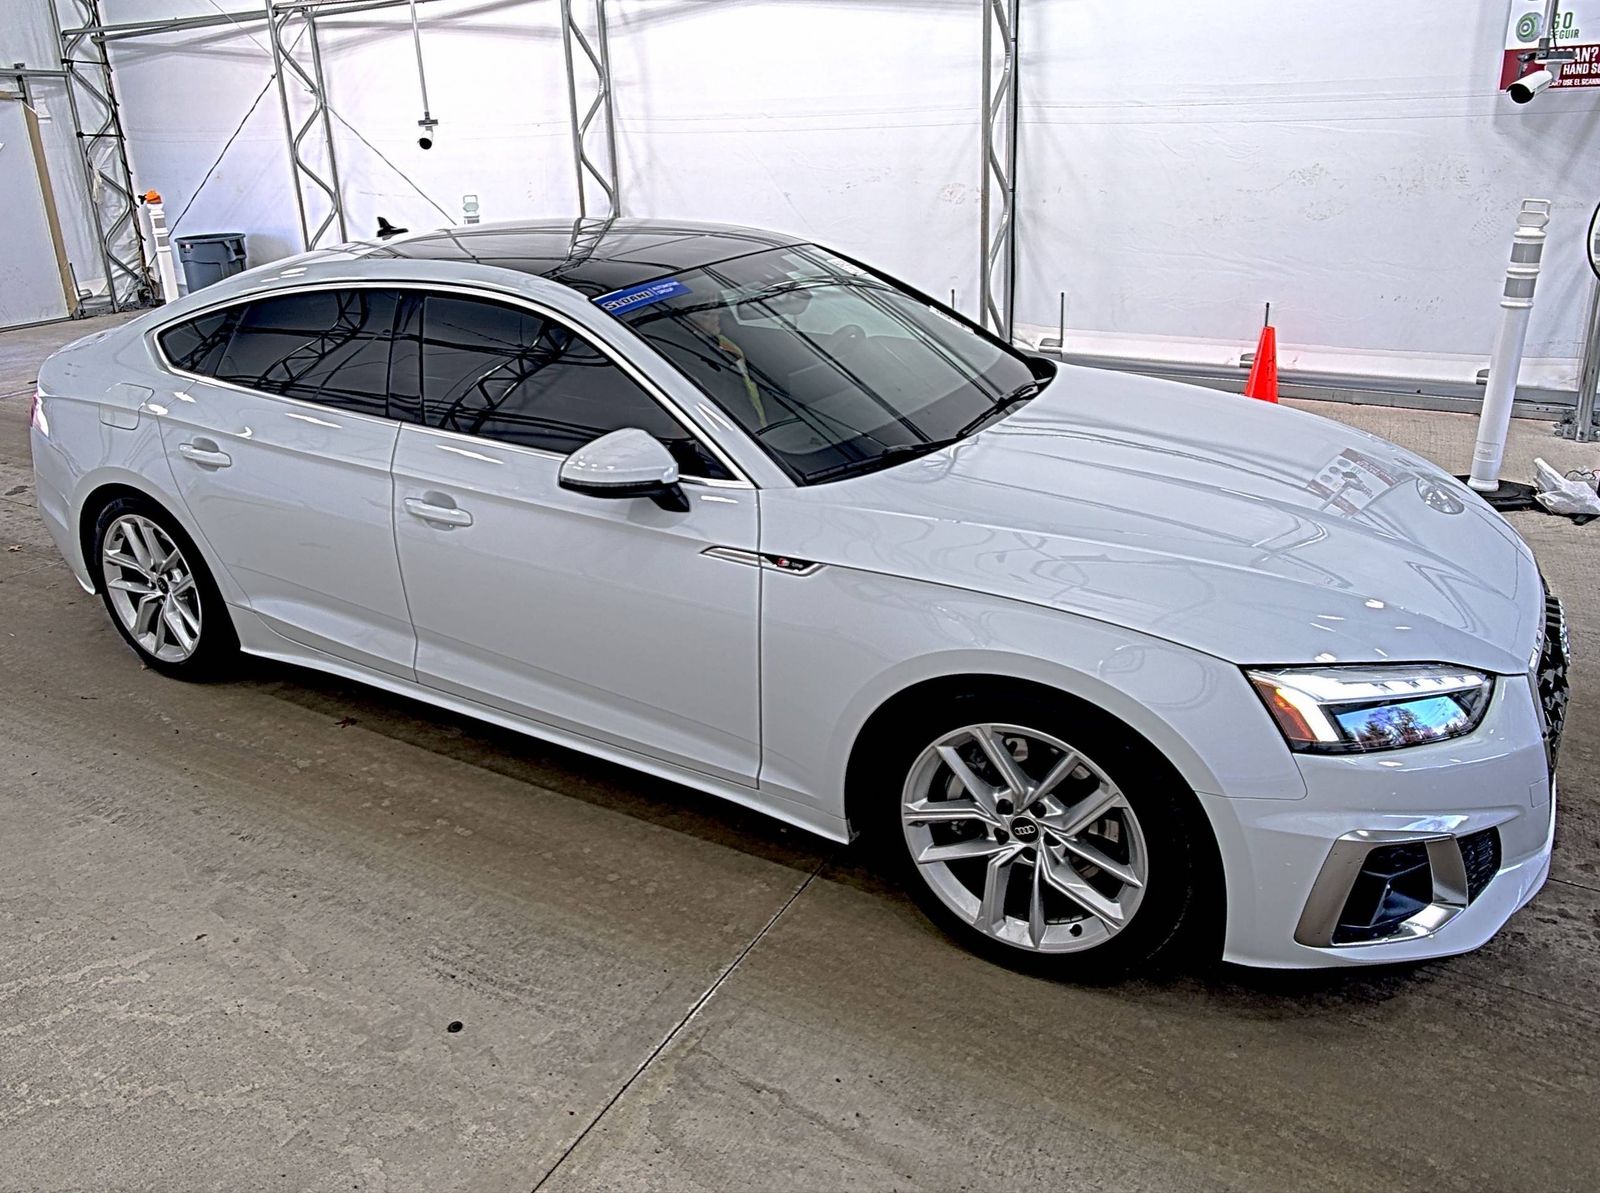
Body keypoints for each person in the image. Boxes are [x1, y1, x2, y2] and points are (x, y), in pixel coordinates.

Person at [683, 304, 766, 430]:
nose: (717, 313)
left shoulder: (729, 346)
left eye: (716, 307)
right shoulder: (680, 359)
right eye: (706, 312)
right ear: (685, 321)